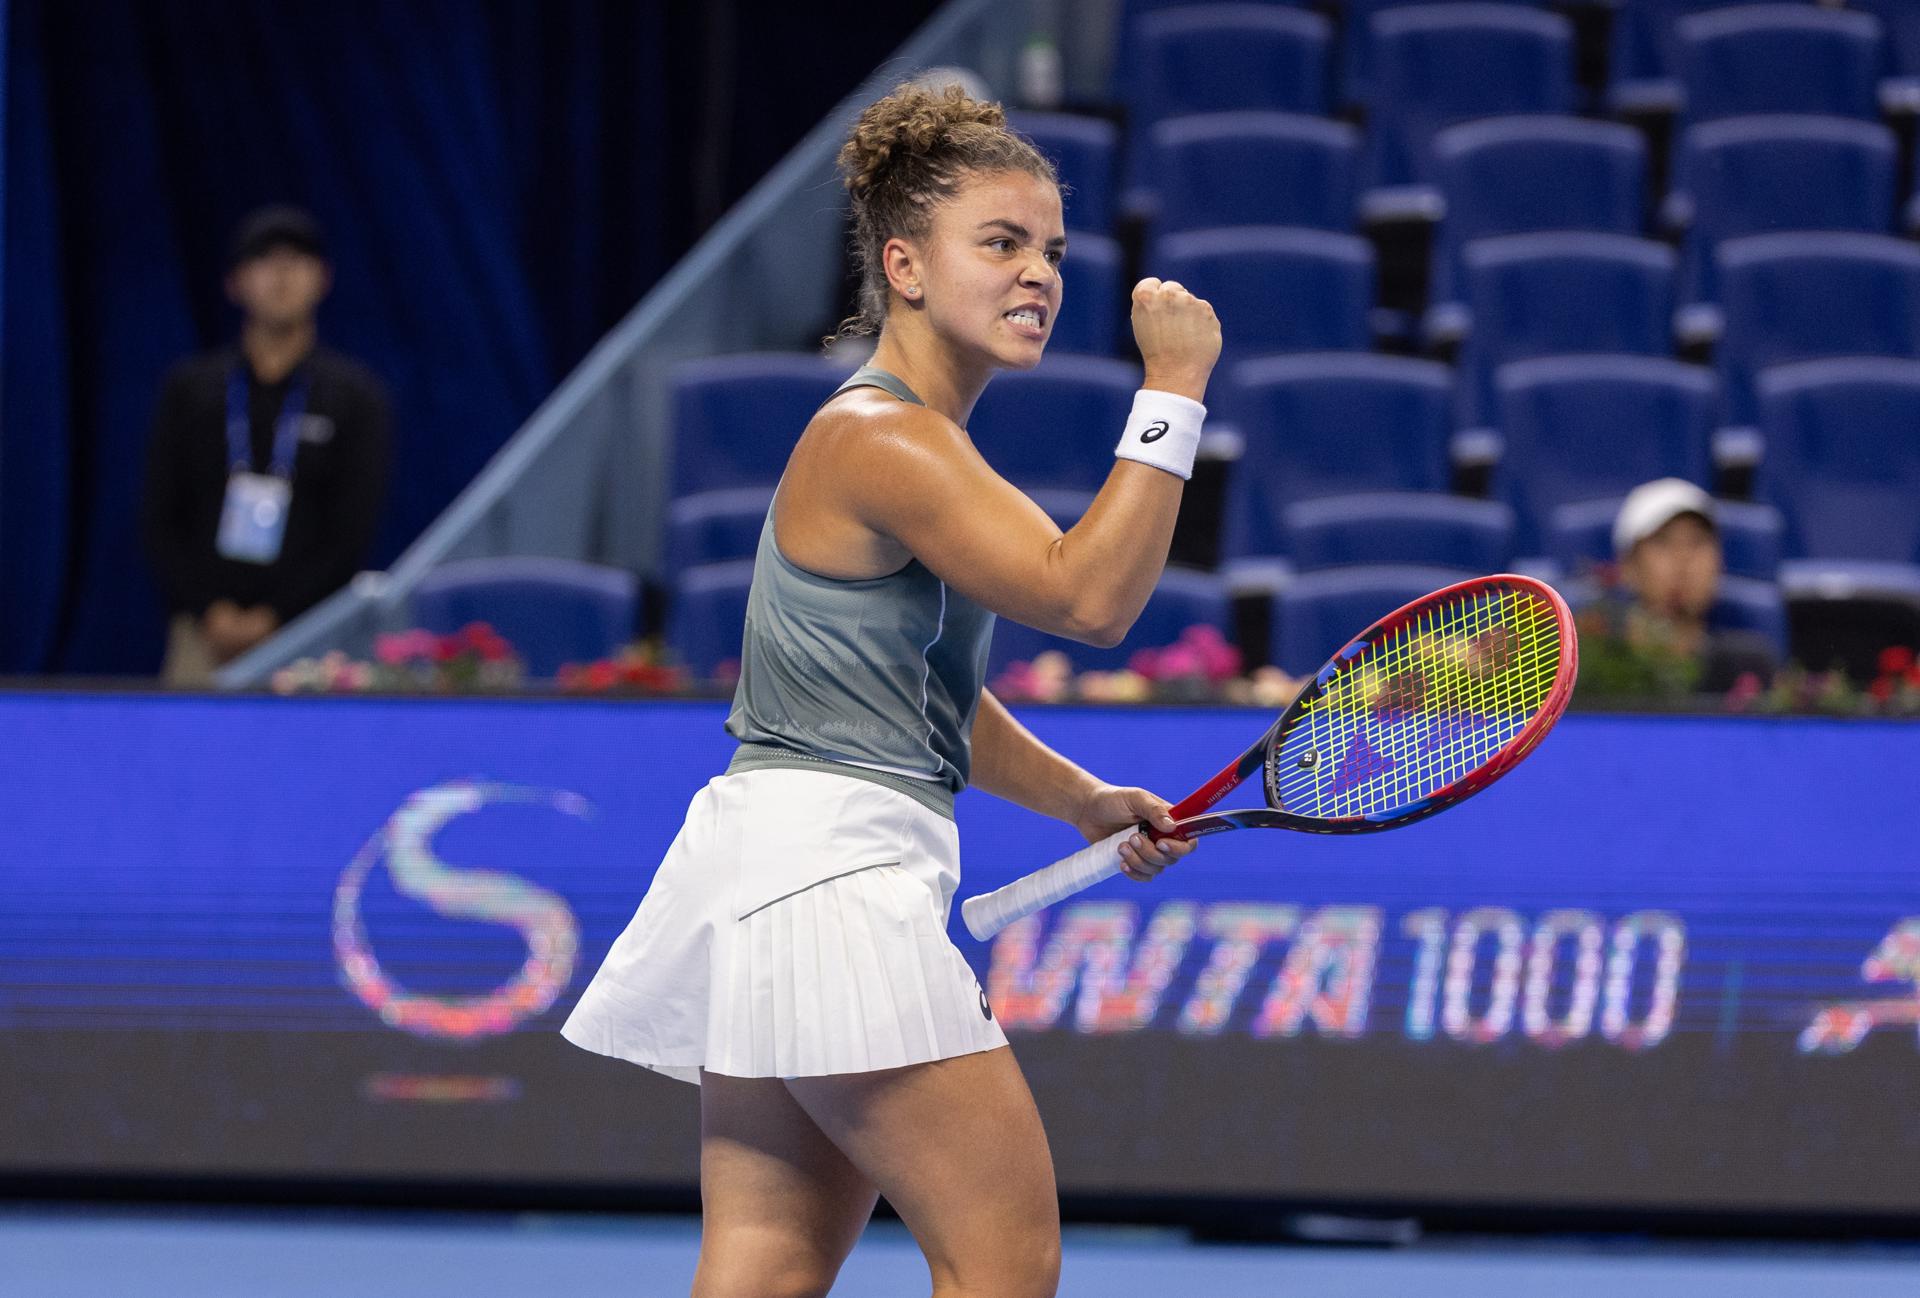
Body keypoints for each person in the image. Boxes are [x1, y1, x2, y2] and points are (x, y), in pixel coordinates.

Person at [560, 83, 1220, 1298]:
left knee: (768, 1257)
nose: (1041, 275)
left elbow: (932, 696)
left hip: (767, 867)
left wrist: (1080, 798)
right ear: (905, 265)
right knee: (1003, 1261)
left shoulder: (903, 440)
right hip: (835, 878)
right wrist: (1174, 389)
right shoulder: (889, 440)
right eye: (1003, 243)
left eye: (1053, 251)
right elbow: (1090, 600)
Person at [140, 204, 392, 686]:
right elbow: (160, 517)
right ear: (234, 282)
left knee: (306, 758)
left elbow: (351, 529)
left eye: (297, 260)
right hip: (202, 633)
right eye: (264, 259)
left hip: (310, 636)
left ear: (323, 279)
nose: (281, 275)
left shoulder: (355, 397)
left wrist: (275, 614)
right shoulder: (193, 390)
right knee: (194, 753)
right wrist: (208, 609)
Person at [1610, 478, 1777, 692]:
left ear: (1719, 562)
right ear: (1628, 567)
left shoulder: (1752, 667)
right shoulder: (1593, 667)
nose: (1683, 558)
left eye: (1697, 542)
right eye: (1663, 542)